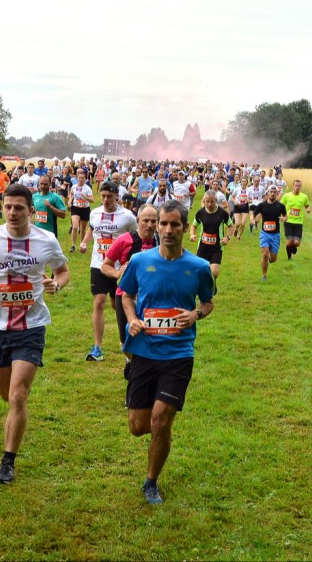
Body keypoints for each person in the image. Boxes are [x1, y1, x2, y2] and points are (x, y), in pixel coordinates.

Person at [0, 184, 70, 484]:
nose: (12, 213)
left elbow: (63, 271)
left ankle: (8, 461)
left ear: (31, 210)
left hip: (32, 325)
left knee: (18, 395)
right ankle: (15, 413)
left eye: (19, 208)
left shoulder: (46, 240)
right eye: (8, 207)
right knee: (5, 394)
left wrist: (56, 284)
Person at [119, 200, 215, 505]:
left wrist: (195, 314)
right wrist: (132, 319)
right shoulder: (139, 261)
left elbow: (208, 303)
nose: (168, 230)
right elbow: (126, 296)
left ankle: (151, 481)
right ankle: (138, 388)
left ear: (185, 228)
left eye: (175, 224)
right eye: (163, 224)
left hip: (178, 354)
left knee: (161, 421)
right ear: (157, 226)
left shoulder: (199, 267)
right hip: (144, 351)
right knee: (138, 427)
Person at [80, 181, 137, 361]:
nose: (105, 200)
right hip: (99, 264)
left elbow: (136, 236)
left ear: (116, 197)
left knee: (119, 305)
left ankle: (128, 343)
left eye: (109, 197)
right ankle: (97, 348)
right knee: (99, 302)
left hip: (120, 267)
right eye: (103, 196)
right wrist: (85, 242)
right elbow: (92, 229)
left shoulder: (127, 217)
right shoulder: (95, 213)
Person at [101, 203, 158, 375]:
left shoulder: (161, 241)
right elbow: (105, 265)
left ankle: (143, 369)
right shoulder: (124, 240)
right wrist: (118, 273)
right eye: (146, 220)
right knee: (126, 339)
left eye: (153, 221)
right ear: (137, 220)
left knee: (152, 335)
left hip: (151, 296)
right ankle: (130, 361)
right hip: (125, 296)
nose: (150, 225)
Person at [189, 190, 233, 281]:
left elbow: (231, 226)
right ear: (204, 201)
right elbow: (194, 226)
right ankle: (206, 286)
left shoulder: (222, 213)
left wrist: (227, 237)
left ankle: (213, 284)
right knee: (199, 271)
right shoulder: (200, 213)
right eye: (207, 201)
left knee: (215, 273)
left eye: (212, 201)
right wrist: (192, 235)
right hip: (202, 247)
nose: (209, 204)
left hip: (216, 247)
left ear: (216, 201)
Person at [253, 186, 288, 281]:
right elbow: (254, 214)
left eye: (274, 192)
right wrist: (252, 220)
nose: (272, 193)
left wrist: (284, 219)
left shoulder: (280, 206)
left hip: (275, 235)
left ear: (277, 193)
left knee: (273, 259)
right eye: (271, 191)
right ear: (268, 193)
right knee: (265, 253)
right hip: (264, 233)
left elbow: (285, 216)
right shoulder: (262, 205)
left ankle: (269, 259)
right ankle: (264, 275)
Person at [279, 179, 311, 260]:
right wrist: (281, 216)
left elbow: (307, 205)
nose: (297, 187)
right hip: (288, 221)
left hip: (298, 222)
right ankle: (289, 257)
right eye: (296, 185)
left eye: (299, 186)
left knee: (297, 243)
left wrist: (308, 209)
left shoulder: (304, 197)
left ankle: (294, 247)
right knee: (290, 242)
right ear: (293, 186)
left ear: (301, 187)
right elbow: (280, 206)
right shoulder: (287, 196)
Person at [68, 170, 94, 253]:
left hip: (85, 209)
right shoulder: (74, 187)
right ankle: (73, 245)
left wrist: (85, 197)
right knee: (75, 227)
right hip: (75, 208)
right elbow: (71, 194)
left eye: (83, 178)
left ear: (85, 179)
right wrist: (70, 201)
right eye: (79, 178)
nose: (81, 180)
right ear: (77, 178)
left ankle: (82, 245)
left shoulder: (87, 188)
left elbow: (92, 200)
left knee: (83, 229)